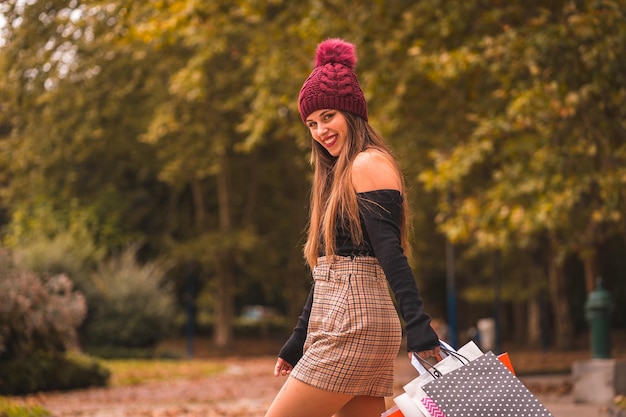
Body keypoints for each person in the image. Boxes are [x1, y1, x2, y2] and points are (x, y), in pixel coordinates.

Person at [265, 38, 441, 417]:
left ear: (352, 113)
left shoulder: (367, 163)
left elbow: (390, 254)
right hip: (349, 318)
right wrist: (297, 341)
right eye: (311, 123)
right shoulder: (339, 176)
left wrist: (420, 327)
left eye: (328, 116)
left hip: (352, 324)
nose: (319, 131)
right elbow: (332, 267)